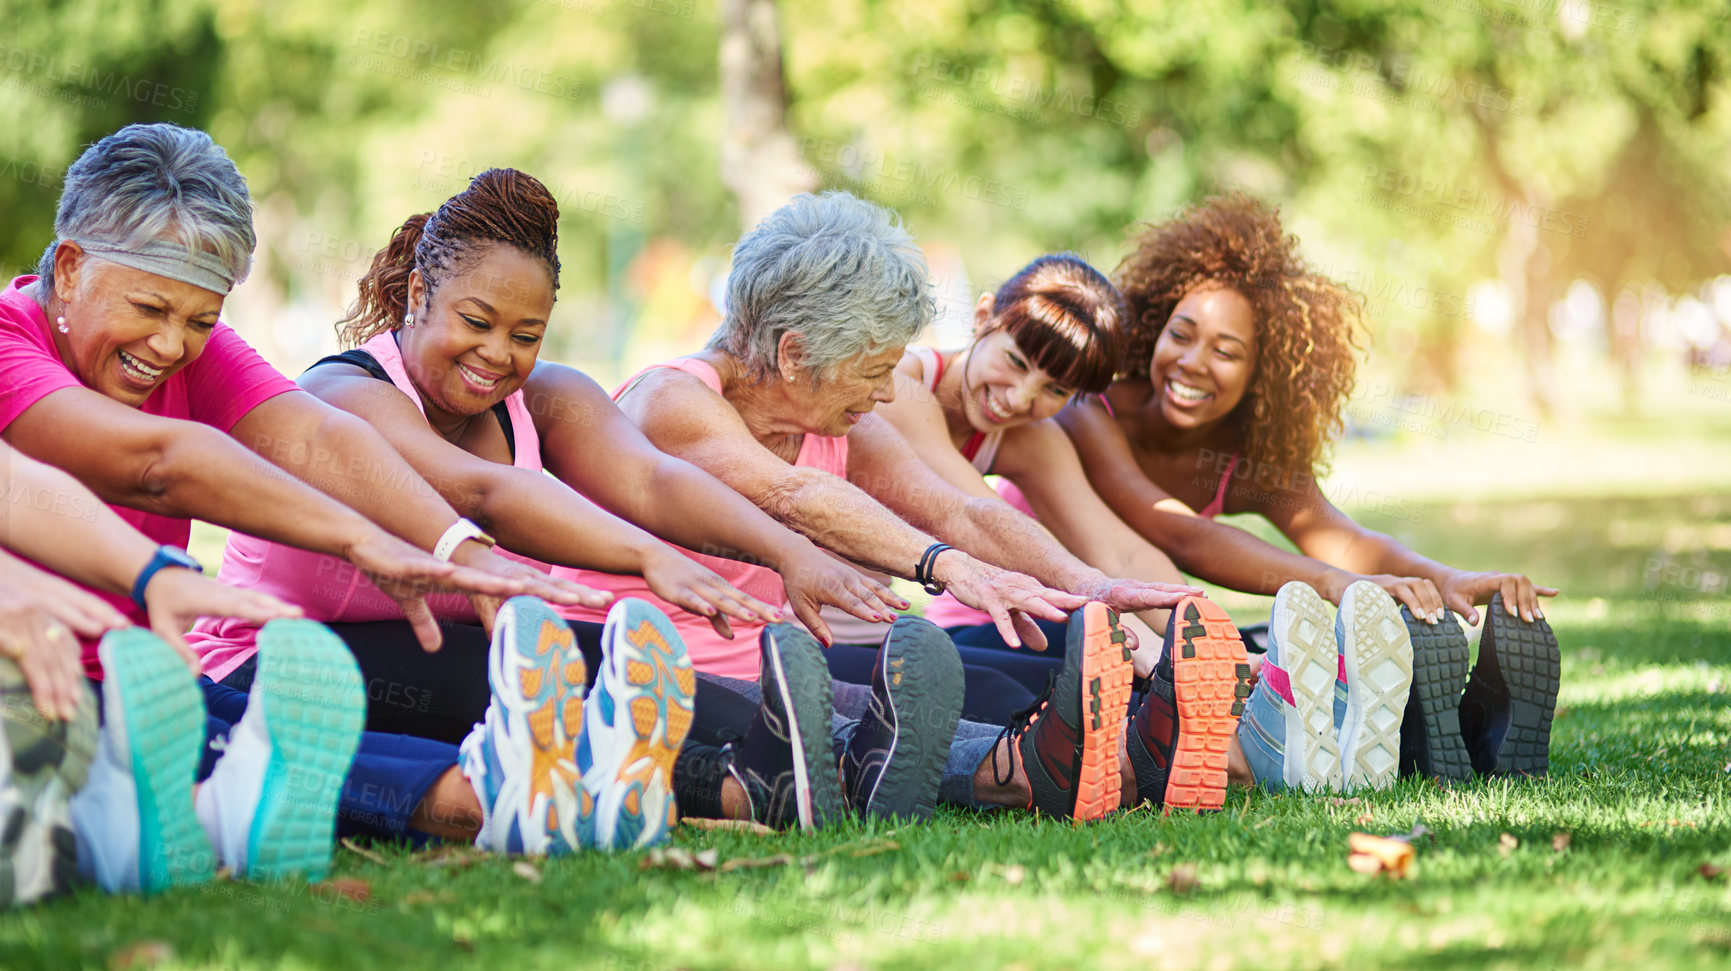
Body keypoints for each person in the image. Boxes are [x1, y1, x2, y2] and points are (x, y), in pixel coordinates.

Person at [0, 123, 685, 891]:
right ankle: (497, 795)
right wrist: (365, 542)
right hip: (39, 675)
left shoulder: (198, 349)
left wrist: (442, 544)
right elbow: (156, 465)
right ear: (67, 269)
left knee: (275, 741)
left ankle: (527, 792)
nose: (170, 345)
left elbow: (317, 436)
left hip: (151, 676)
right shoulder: (5, 342)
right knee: (220, 736)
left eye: (199, 320)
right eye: (151, 307)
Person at [188, 167, 932, 831]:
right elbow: (482, 491)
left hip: (446, 655)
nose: (497, 354)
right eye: (476, 322)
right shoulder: (344, 393)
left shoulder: (544, 399)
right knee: (513, 667)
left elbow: (651, 479)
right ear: (418, 294)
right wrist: (646, 556)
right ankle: (767, 778)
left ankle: (815, 766)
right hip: (269, 667)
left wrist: (786, 551)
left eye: (526, 334)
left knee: (610, 663)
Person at [565, 191, 1223, 821]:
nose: (887, 393)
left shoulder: (837, 422)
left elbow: (959, 511)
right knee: (836, 731)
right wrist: (941, 566)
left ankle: (1100, 756)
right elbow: (795, 497)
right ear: (794, 353)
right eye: (872, 369)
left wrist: (1088, 585)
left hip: (765, 653)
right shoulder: (672, 401)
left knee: (980, 690)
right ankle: (1035, 770)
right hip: (631, 658)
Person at [1058, 194, 1561, 781]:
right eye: (1182, 335)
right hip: (1065, 616)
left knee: (1296, 646)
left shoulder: (1244, 459)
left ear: (1261, 372)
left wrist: (1445, 578)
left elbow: (1342, 538)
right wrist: (1334, 583)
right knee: (1236, 653)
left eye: (1226, 351)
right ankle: (1394, 722)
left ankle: (1455, 725)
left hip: (1150, 618)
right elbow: (1174, 530)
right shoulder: (1089, 412)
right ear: (1152, 329)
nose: (1192, 362)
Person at [861, 252, 1254, 809]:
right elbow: (978, 519)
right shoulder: (902, 391)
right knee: (1027, 689)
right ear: (982, 318)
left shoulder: (1027, 433)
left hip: (887, 629)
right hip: (833, 632)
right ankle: (1180, 753)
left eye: (1054, 391)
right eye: (1016, 361)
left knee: (1084, 669)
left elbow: (1116, 550)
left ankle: (1232, 733)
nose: (1021, 399)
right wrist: (1147, 646)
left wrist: (1212, 642)